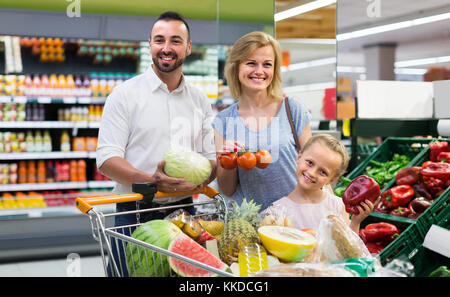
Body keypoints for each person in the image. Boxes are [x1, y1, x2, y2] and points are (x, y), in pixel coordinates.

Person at [96, 11, 216, 276]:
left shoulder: (200, 100)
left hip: (184, 211)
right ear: (149, 44)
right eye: (159, 40)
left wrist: (206, 175)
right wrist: (151, 179)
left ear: (188, 47)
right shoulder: (124, 95)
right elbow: (106, 159)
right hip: (134, 209)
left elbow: (210, 158)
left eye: (175, 40)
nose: (166, 48)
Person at [212, 31, 312, 211]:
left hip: (298, 218)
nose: (259, 71)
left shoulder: (292, 109)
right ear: (236, 67)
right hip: (251, 224)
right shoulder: (223, 121)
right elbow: (227, 190)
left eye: (267, 64)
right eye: (251, 63)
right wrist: (228, 162)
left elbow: (314, 167)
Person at [272, 134, 377, 234]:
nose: (312, 173)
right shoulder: (277, 211)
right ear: (299, 157)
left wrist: (355, 222)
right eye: (310, 163)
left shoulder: (337, 206)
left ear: (331, 180)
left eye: (323, 172)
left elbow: (349, 250)